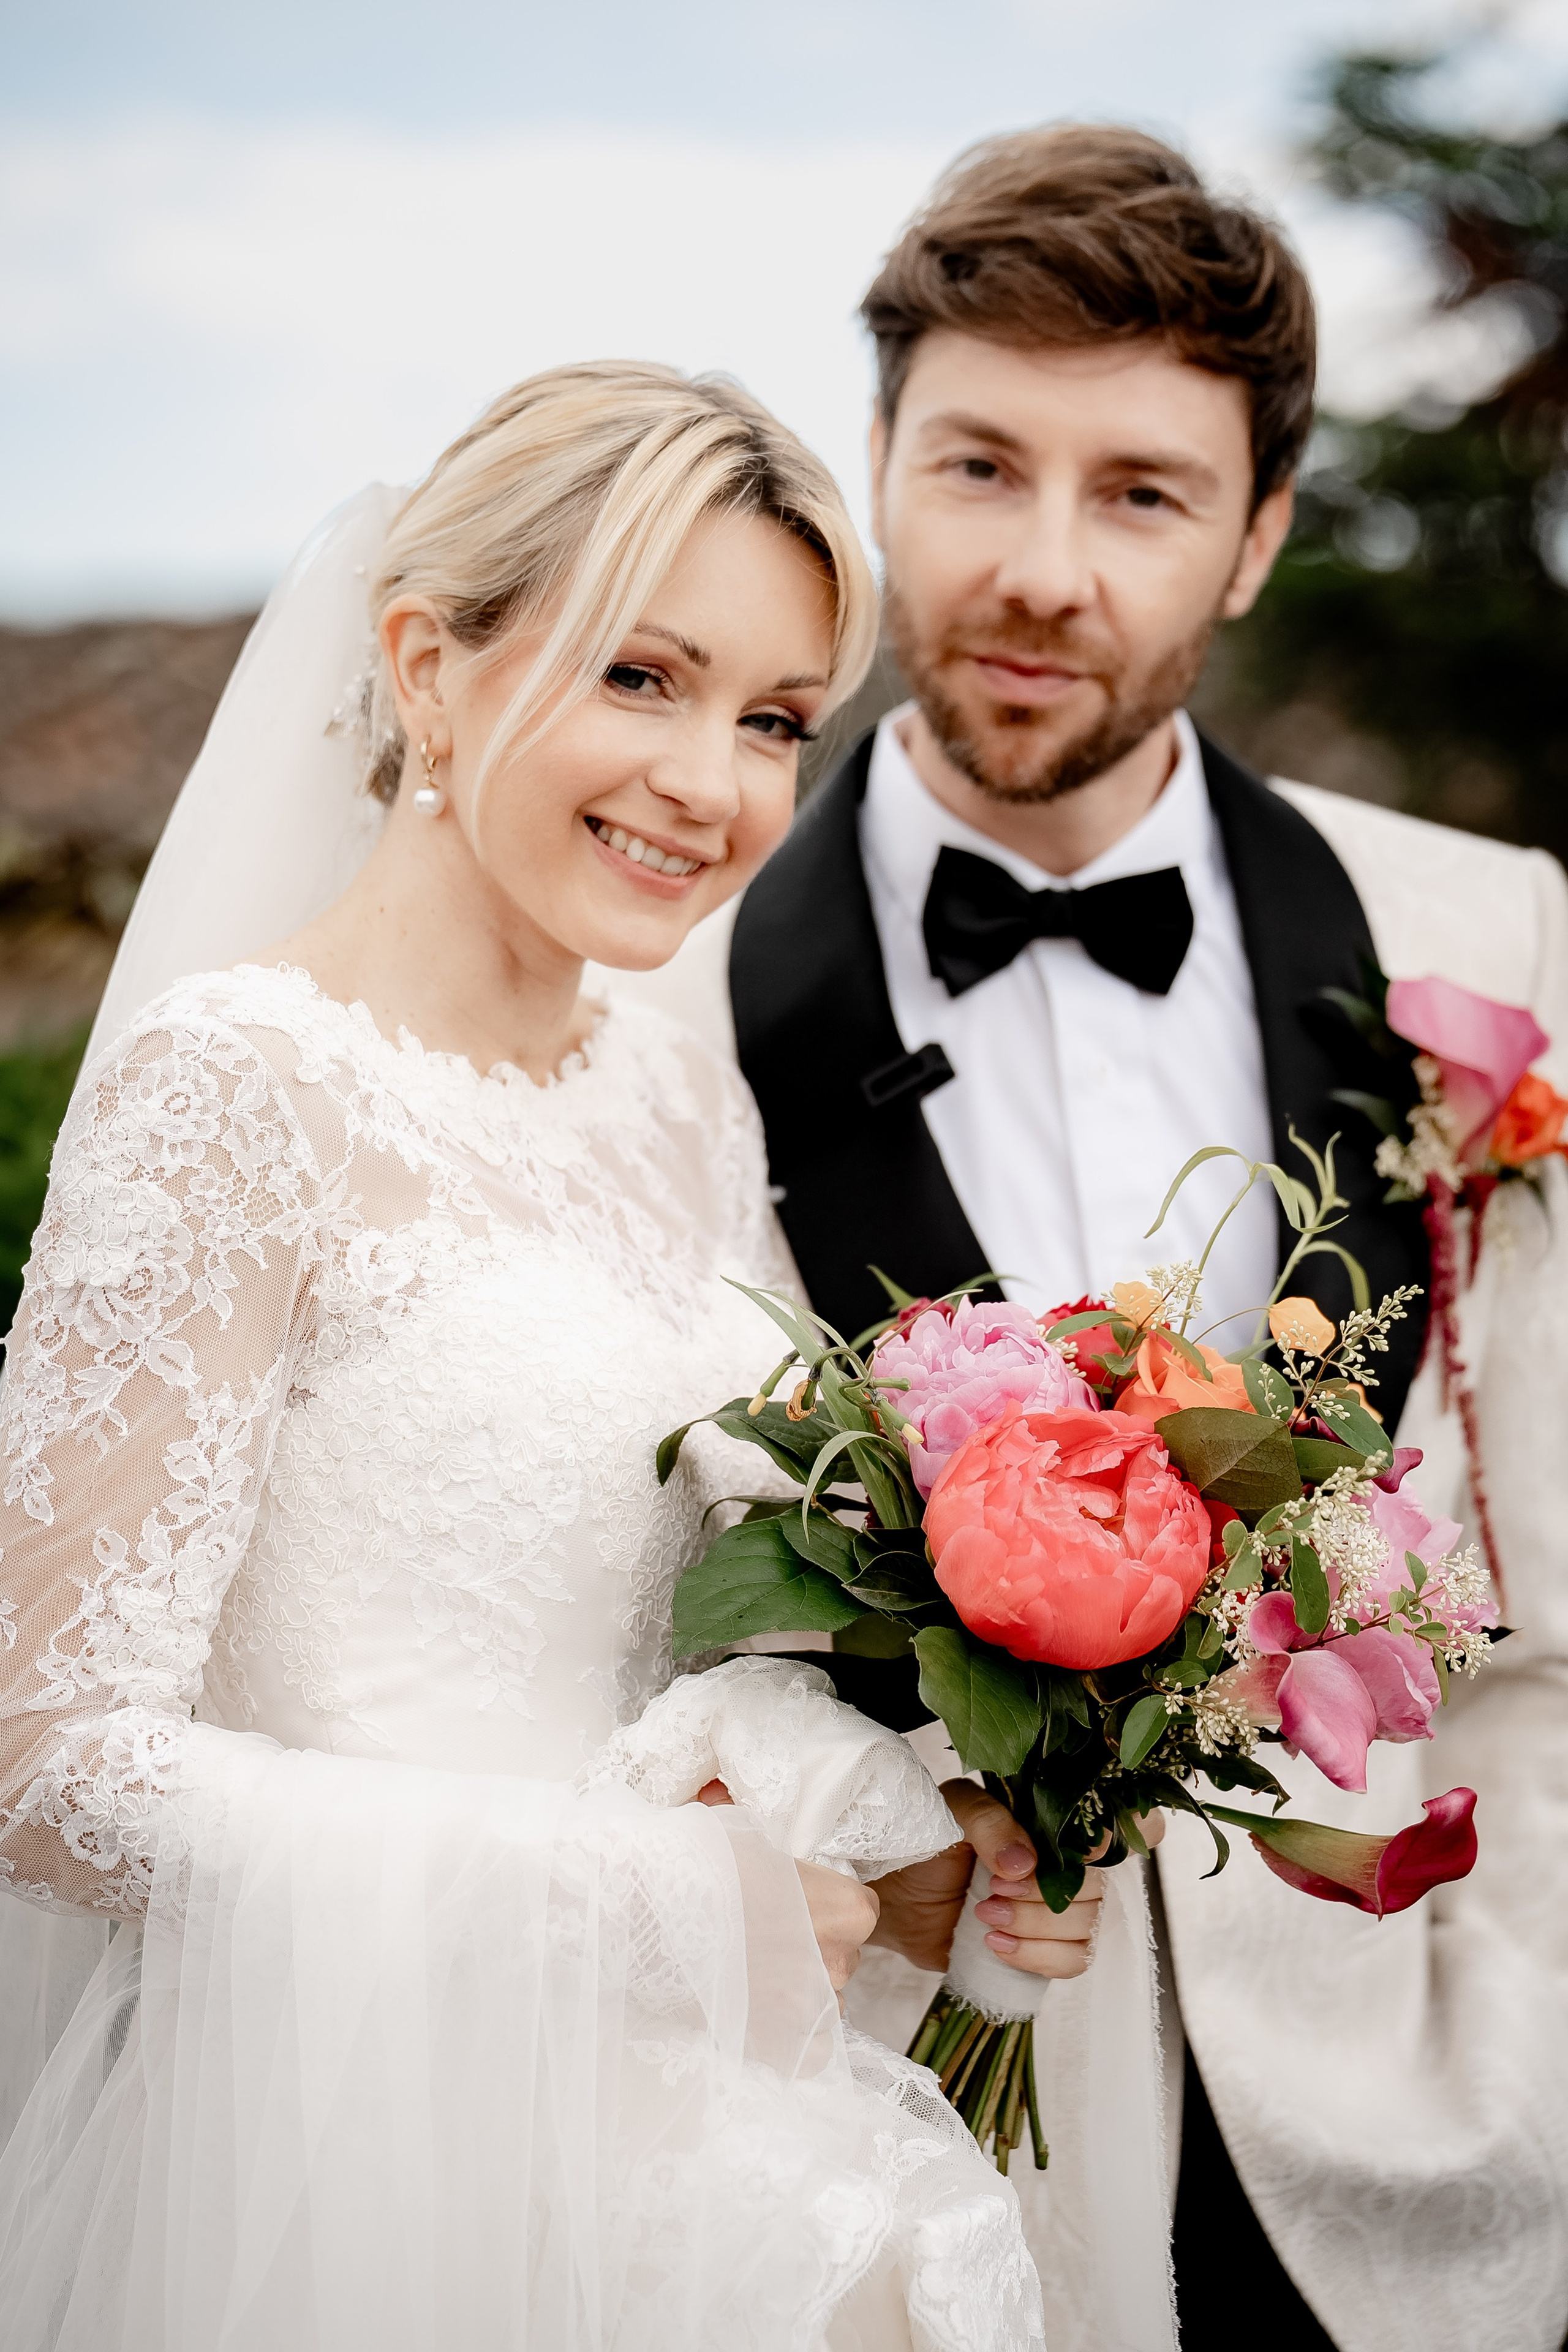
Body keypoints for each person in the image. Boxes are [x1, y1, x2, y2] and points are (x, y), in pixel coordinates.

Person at [627, 129, 1568, 2352]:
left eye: (1142, 493)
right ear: (876, 466)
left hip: (1415, 2148)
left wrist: (1522, 2030)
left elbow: (1547, 1607)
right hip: (882, 2186)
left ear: (1254, 543)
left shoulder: (1491, 941)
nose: (1043, 569)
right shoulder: (650, 1000)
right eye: (979, 466)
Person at [0, 363, 1050, 2350]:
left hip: (721, 2165)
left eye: (771, 722)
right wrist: (637, 1913)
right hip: (358, 2170)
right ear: (428, 665)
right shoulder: (239, 1088)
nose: (712, 783)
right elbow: (43, 1764)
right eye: (640, 678)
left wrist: (922, 1842)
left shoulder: (682, 1104)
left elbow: (657, 1661)